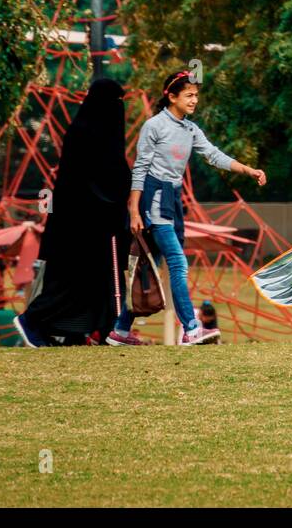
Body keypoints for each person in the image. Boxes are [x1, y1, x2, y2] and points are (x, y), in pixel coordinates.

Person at [111, 70, 267, 346]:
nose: (195, 100)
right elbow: (140, 169)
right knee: (177, 262)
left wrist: (248, 170)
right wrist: (134, 211)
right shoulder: (155, 126)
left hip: (174, 198)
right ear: (171, 96)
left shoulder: (190, 129)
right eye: (189, 95)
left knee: (152, 265)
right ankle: (192, 329)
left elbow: (213, 155)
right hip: (154, 196)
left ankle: (120, 331)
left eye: (196, 95)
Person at [15, 78, 133, 349]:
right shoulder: (89, 133)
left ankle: (88, 332)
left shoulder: (83, 129)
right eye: (116, 104)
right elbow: (101, 179)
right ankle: (33, 320)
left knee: (98, 279)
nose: (119, 110)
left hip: (86, 226)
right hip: (82, 228)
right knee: (74, 282)